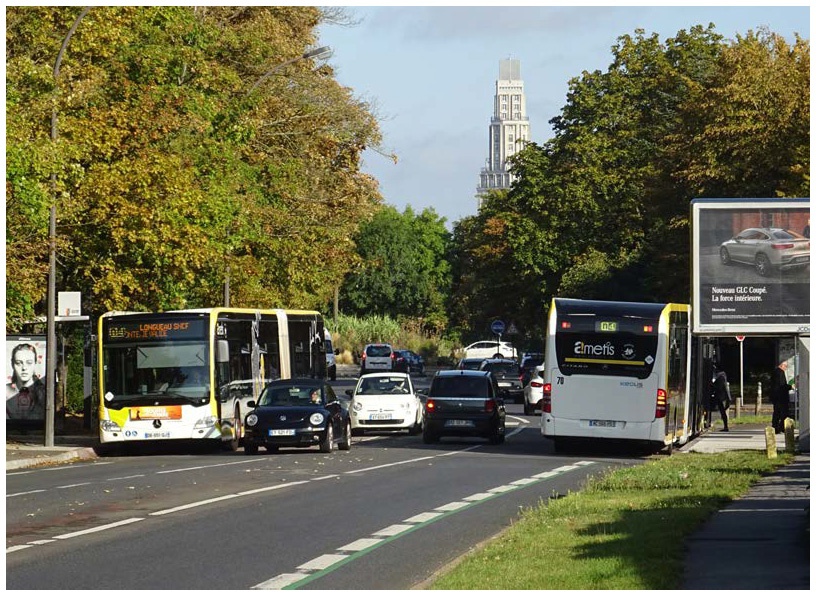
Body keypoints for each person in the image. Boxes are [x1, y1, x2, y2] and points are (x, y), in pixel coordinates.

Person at [6, 342, 46, 421]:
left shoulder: (43, 392)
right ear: (12, 364)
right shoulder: (4, 391)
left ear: (35, 363)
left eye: (29, 363)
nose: (24, 368)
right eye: (18, 363)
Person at [771, 359, 792, 433]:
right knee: (783, 413)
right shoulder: (780, 373)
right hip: (781, 397)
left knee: (777, 412)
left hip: (776, 396)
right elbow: (782, 385)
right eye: (785, 366)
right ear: (781, 365)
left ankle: (776, 427)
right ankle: (780, 427)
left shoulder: (775, 372)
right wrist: (791, 387)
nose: (786, 368)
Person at [708, 363, 730, 432]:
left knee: (723, 412)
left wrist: (712, 385)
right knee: (723, 412)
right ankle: (725, 426)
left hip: (721, 397)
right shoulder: (722, 376)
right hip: (723, 397)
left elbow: (718, 387)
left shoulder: (721, 377)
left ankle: (726, 427)